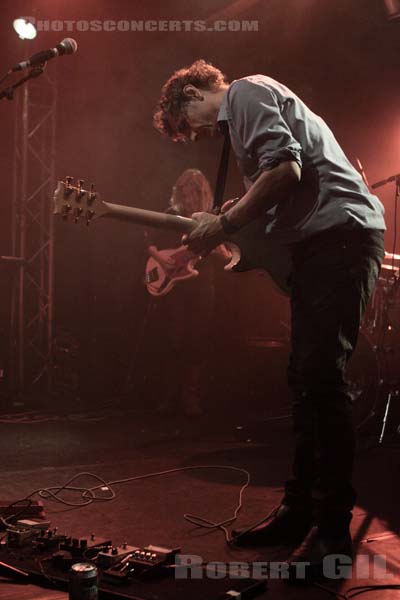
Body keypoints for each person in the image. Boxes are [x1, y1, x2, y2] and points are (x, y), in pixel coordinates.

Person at [153, 60, 386, 575]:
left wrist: (229, 221)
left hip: (341, 238)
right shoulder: (246, 114)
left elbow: (287, 171)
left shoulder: (245, 94)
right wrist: (238, 222)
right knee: (305, 378)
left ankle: (332, 530)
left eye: (189, 123)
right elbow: (283, 187)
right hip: (322, 244)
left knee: (322, 378)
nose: (198, 134)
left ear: (191, 93)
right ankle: (297, 510)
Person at [145, 168, 229, 416]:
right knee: (174, 337)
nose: (189, 196)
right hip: (174, 286)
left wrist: (215, 248)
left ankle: (190, 397)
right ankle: (169, 395)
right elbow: (147, 240)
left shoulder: (212, 219)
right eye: (185, 190)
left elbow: (225, 256)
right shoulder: (170, 215)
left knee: (197, 339)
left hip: (201, 285)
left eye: (194, 191)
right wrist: (160, 256)